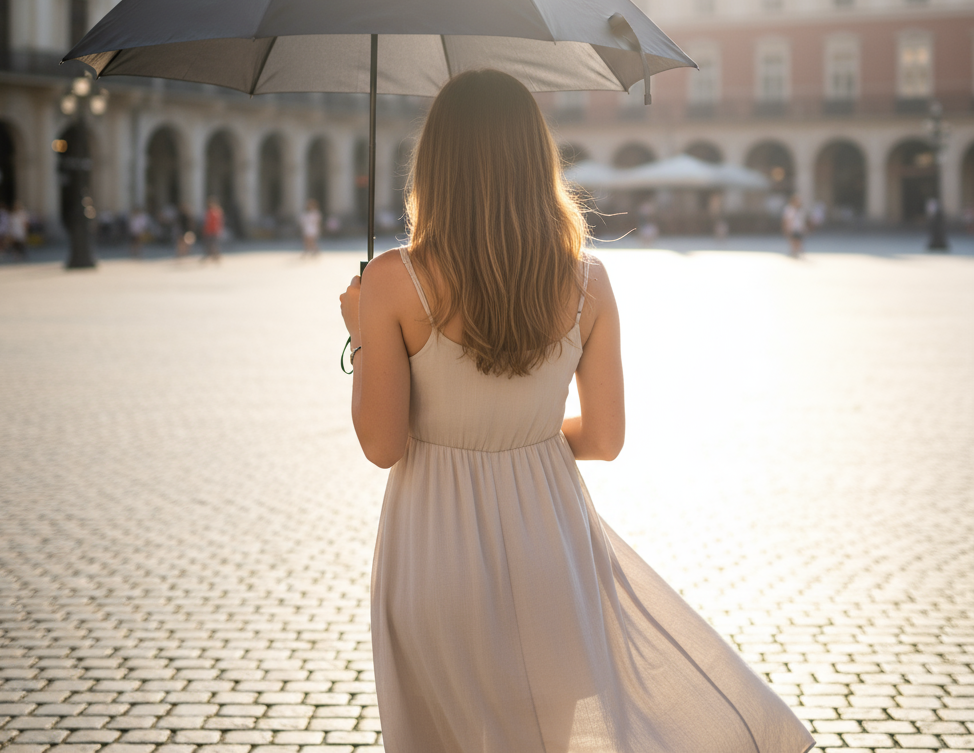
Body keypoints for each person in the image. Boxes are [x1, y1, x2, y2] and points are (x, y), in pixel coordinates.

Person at [338, 69, 812, 753]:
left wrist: (362, 330)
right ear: (538, 160)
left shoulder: (392, 280)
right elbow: (606, 437)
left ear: (434, 165)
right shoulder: (588, 280)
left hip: (432, 550)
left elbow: (383, 444)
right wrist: (520, 436)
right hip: (550, 546)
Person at [202, 197, 224, 262]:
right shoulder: (210, 211)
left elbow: (219, 221)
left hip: (214, 230)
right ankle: (212, 255)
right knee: (210, 243)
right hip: (210, 230)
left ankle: (215, 255)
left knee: (213, 244)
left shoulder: (216, 211)